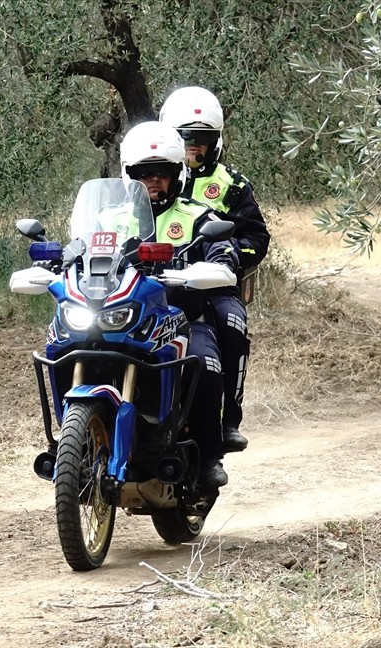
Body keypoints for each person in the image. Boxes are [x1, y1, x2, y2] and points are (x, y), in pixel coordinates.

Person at [118, 120, 237, 488]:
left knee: (204, 361)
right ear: (130, 176)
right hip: (124, 319)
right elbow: (80, 250)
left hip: (181, 318)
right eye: (144, 173)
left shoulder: (198, 215)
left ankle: (208, 457)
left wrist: (217, 263)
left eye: (163, 173)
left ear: (177, 174)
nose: (153, 180)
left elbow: (224, 250)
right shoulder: (112, 219)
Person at [159, 86, 270, 453]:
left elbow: (256, 237)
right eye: (184, 138)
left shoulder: (232, 185)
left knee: (230, 320)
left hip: (212, 284)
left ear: (215, 141)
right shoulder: (149, 176)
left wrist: (224, 256)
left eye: (201, 139)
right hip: (151, 281)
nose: (193, 145)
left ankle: (228, 417)